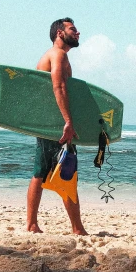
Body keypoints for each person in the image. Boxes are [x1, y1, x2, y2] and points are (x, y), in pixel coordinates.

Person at [26, 18, 88, 235]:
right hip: (56, 125)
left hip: (50, 123)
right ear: (60, 33)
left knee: (47, 171)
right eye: (73, 29)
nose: (78, 33)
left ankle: (35, 224)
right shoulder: (58, 55)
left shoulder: (55, 55)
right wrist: (68, 122)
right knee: (63, 171)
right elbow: (58, 87)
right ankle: (75, 227)